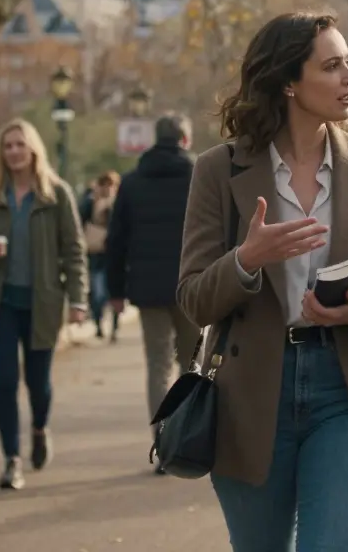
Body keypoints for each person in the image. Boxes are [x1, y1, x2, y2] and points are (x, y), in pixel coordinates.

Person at [177, 11, 348, 550]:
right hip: (252, 393)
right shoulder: (219, 170)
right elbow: (194, 298)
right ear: (288, 81)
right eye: (332, 66)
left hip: (345, 387)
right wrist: (246, 259)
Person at [0, 118, 88, 491]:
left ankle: (38, 429)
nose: (14, 151)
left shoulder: (56, 195)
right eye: (7, 146)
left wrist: (79, 299)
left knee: (39, 383)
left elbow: (74, 250)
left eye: (20, 144)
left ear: (33, 149)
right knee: (5, 380)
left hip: (42, 302)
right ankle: (11, 460)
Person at [105, 112, 198, 464]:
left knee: (158, 365)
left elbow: (117, 240)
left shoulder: (132, 182)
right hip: (192, 286)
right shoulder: (199, 176)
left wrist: (115, 290)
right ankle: (189, 439)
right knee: (192, 363)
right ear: (184, 140)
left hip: (148, 288)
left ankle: (163, 443)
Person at [80, 171, 120, 340]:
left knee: (114, 293)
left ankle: (114, 328)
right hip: (96, 254)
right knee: (97, 293)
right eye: (105, 184)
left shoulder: (118, 203)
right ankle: (98, 324)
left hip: (114, 256)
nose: (108, 189)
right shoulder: (90, 203)